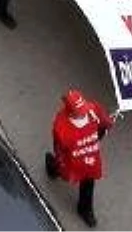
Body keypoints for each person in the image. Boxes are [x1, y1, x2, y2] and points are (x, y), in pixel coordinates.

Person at [45, 90, 115, 228]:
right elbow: (59, 149)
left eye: (84, 108)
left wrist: (104, 128)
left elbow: (104, 123)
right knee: (62, 171)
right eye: (80, 111)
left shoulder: (92, 109)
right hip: (72, 160)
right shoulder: (61, 125)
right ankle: (52, 166)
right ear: (71, 111)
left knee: (89, 181)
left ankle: (84, 209)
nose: (84, 112)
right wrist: (61, 163)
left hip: (89, 159)